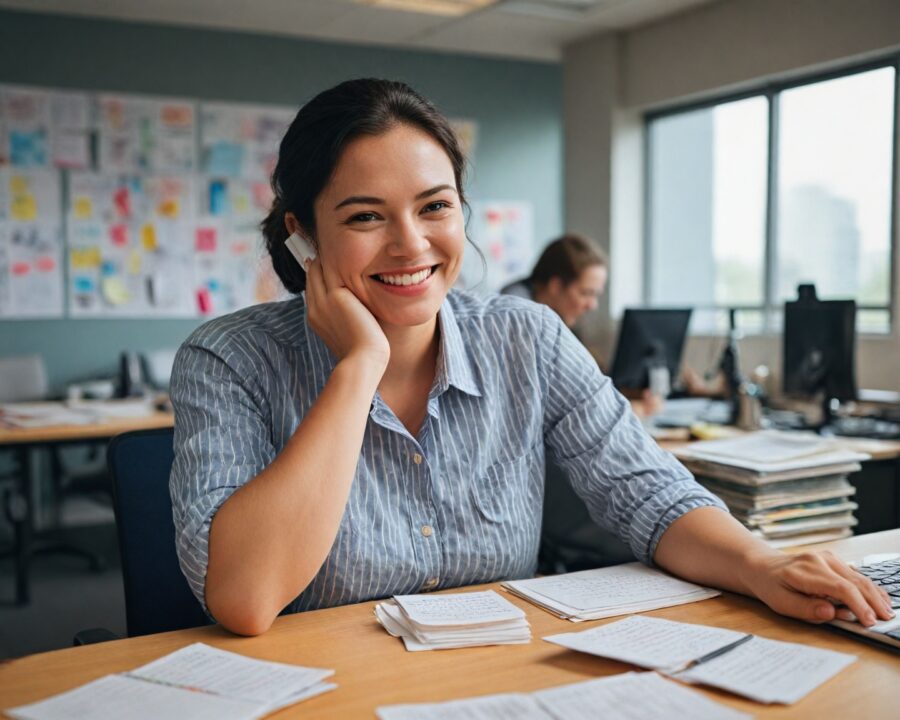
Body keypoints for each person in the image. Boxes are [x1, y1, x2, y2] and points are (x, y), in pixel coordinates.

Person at [169, 78, 892, 637]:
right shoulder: (229, 359)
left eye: (434, 206)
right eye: (365, 216)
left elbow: (649, 494)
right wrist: (357, 367)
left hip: (499, 685)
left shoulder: (528, 337)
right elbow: (246, 598)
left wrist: (760, 564)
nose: (411, 244)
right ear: (303, 237)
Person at [501, 234, 607, 328]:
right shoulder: (514, 314)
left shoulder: (557, 319)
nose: (592, 305)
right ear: (556, 286)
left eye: (596, 294)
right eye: (586, 293)